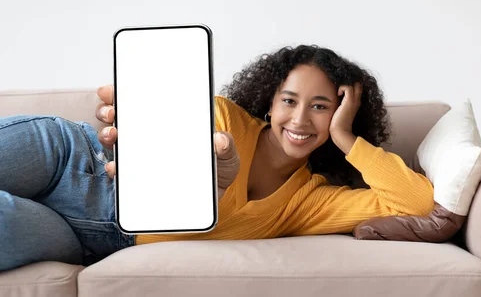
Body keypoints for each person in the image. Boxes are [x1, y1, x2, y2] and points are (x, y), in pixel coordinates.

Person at [0, 45, 434, 271]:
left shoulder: (309, 201)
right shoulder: (222, 117)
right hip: (71, 156)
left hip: (86, 237)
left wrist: (345, 136)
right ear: (270, 102)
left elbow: (416, 203)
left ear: (340, 113)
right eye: (289, 100)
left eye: (321, 106)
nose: (300, 119)